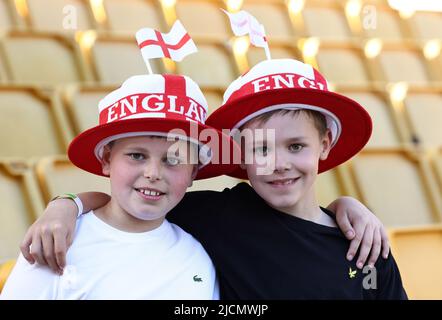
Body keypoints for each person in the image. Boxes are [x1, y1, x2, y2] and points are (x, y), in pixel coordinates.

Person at [20, 60, 393, 299]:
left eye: (296, 146)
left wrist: (349, 207)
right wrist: (66, 204)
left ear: (325, 144)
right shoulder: (218, 216)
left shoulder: (364, 247)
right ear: (241, 155)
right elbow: (131, 202)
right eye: (261, 149)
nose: (278, 164)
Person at [1, 73, 241, 299]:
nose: (153, 173)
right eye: (137, 156)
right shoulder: (57, 242)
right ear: (106, 160)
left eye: (174, 160)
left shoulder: (197, 255)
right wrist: (67, 203)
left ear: (193, 172)